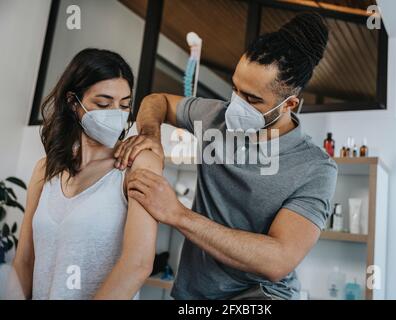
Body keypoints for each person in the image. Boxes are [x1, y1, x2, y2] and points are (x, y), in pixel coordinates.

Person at [116, 12, 338, 300]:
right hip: (193, 293)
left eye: (252, 99)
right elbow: (156, 101)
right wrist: (149, 134)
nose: (235, 106)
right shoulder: (215, 117)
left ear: (289, 104)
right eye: (235, 89)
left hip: (262, 297)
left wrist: (178, 214)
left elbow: (278, 260)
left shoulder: (315, 167)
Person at [11, 49, 162, 299]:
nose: (116, 113)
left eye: (124, 105)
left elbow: (138, 264)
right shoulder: (45, 169)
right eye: (103, 103)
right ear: (73, 102)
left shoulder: (138, 164)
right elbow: (25, 260)